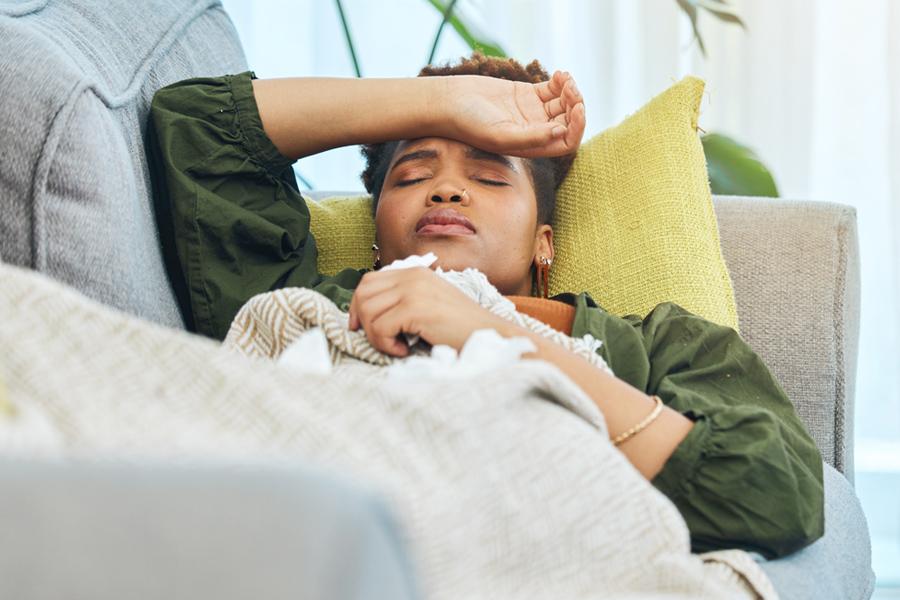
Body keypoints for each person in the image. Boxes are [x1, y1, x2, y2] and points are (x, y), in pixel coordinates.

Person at [148, 53, 824, 559]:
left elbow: (775, 493)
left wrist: (490, 333)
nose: (445, 190)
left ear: (544, 241)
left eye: (487, 175)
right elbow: (198, 126)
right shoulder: (314, 306)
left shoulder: (663, 346)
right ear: (378, 232)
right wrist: (445, 102)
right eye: (413, 175)